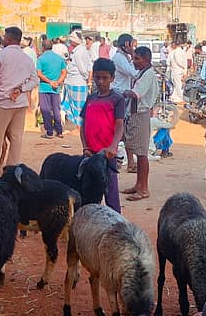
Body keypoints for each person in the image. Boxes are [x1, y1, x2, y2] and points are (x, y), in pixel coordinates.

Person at [0, 26, 39, 177]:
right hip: (20, 103)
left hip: (3, 103)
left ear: (9, 39)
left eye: (5, 36)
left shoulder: (0, 56)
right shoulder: (26, 57)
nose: (3, 39)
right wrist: (22, 88)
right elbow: (34, 80)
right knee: (16, 138)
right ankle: (12, 170)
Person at [80, 58, 125, 213]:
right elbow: (83, 124)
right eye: (97, 77)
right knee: (88, 195)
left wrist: (113, 146)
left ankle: (118, 227)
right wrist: (85, 145)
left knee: (111, 194)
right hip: (89, 154)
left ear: (112, 78)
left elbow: (119, 125)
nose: (100, 81)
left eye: (105, 78)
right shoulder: (91, 98)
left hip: (107, 155)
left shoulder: (117, 99)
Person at [121, 46, 158, 201]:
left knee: (142, 154)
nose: (134, 61)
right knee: (137, 150)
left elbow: (137, 94)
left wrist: (121, 92)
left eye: (137, 59)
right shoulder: (143, 72)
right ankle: (138, 185)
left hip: (141, 115)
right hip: (136, 114)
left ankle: (144, 189)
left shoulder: (148, 74)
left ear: (146, 60)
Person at [36, 39, 67, 139]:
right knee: (56, 109)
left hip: (44, 88)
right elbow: (64, 72)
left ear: (43, 47)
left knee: (45, 110)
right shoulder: (59, 58)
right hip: (55, 88)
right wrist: (58, 82)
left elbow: (39, 73)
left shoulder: (41, 59)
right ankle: (59, 131)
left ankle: (49, 132)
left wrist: (49, 82)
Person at [62, 33, 92, 130]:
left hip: (77, 82)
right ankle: (78, 127)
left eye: (71, 40)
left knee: (79, 107)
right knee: (76, 106)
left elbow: (82, 68)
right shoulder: (81, 50)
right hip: (75, 82)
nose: (70, 42)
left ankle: (79, 128)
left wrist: (86, 77)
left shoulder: (79, 52)